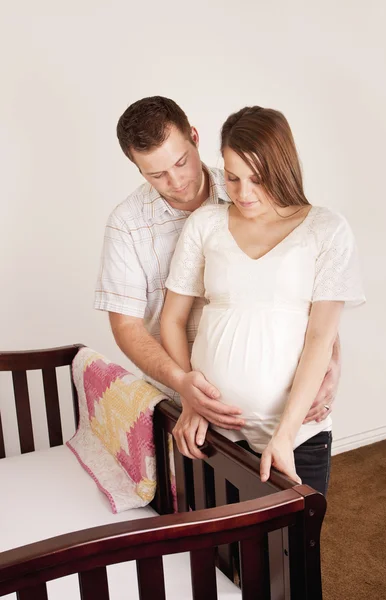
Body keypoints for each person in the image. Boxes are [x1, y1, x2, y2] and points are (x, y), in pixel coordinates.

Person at [94, 96, 342, 474]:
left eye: (180, 162)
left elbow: (307, 289)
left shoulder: (245, 183)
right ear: (137, 168)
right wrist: (185, 388)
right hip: (191, 412)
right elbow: (126, 326)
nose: (176, 182)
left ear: (194, 136)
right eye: (155, 174)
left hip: (283, 406)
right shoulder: (127, 225)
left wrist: (334, 362)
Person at [160, 106, 365, 495]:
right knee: (217, 552)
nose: (244, 193)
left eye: (258, 178)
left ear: (282, 167)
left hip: (296, 434)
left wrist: (285, 435)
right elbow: (172, 319)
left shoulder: (326, 229)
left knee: (293, 551)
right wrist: (191, 399)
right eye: (233, 178)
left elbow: (321, 336)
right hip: (213, 428)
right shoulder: (205, 224)